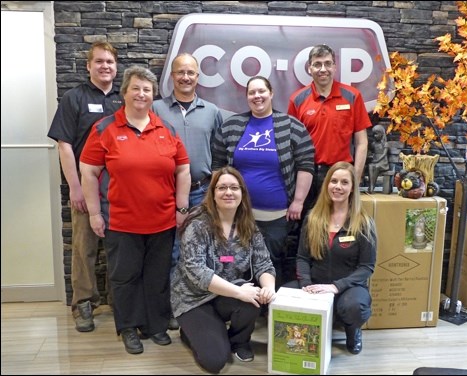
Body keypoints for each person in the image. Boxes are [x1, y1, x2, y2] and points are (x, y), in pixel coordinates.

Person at [79, 65, 191, 355]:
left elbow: (183, 170)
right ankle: (128, 327)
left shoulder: (165, 128)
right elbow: (89, 173)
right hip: (121, 222)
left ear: (153, 95)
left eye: (147, 90)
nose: (142, 94)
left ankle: (155, 326)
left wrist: (181, 207)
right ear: (125, 92)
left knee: (157, 276)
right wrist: (94, 213)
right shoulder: (105, 129)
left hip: (162, 222)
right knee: (125, 277)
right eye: (136, 88)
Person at [211, 76, 315, 289]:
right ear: (247, 96)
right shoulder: (232, 125)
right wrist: (217, 202)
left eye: (261, 91)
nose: (257, 96)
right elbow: (217, 165)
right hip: (238, 214)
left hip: (276, 216)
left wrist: (298, 201)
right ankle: (245, 308)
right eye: (252, 92)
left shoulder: (291, 126)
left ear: (271, 94)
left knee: (271, 262)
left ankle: (269, 308)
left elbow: (306, 164)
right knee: (237, 262)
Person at [47, 41, 122, 333]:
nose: (105, 66)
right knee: (84, 249)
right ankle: (84, 304)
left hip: (118, 191)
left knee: (118, 249)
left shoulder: (124, 97)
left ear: (116, 67)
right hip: (85, 190)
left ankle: (119, 302)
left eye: (110, 62)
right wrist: (74, 187)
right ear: (88, 66)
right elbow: (64, 145)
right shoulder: (74, 98)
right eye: (100, 61)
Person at [171, 166, 276, 374]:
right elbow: (197, 272)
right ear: (213, 193)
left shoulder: (248, 226)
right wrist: (239, 292)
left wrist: (268, 288)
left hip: (226, 294)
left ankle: (239, 341)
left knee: (252, 299)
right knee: (215, 361)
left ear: (242, 193)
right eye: (222, 188)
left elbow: (264, 264)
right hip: (194, 299)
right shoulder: (198, 225)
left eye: (234, 187)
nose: (228, 192)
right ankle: (191, 331)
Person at [152, 52, 223, 331]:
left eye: (190, 73)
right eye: (180, 72)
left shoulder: (212, 111)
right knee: (170, 253)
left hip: (201, 193)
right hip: (163, 194)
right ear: (172, 76)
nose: (185, 77)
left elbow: (219, 153)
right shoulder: (156, 109)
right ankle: (173, 307)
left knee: (198, 252)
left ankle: (198, 306)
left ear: (197, 77)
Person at [286, 161, 377, 355]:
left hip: (348, 288)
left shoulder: (363, 223)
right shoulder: (313, 218)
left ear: (352, 188)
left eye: (344, 182)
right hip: (315, 283)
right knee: (283, 295)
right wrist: (306, 285)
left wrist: (336, 286)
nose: (338, 186)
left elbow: (366, 267)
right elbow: (302, 257)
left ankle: (353, 331)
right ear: (327, 184)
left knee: (354, 307)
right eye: (333, 181)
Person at [288, 44, 372, 209]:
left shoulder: (352, 96)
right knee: (308, 226)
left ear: (334, 66)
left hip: (340, 175)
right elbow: (291, 145)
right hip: (308, 176)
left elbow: (362, 142)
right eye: (317, 64)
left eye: (327, 63)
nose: (323, 69)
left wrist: (354, 177)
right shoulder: (297, 100)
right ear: (310, 68)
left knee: (339, 226)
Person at [367, 124, 390, 193]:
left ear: (381, 134)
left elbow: (384, 154)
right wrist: (371, 156)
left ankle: (372, 187)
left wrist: (377, 160)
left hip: (383, 163)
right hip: (376, 161)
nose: (375, 136)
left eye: (376, 134)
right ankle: (371, 185)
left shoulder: (385, 144)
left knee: (376, 167)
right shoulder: (374, 144)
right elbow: (372, 153)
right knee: (370, 166)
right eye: (374, 134)